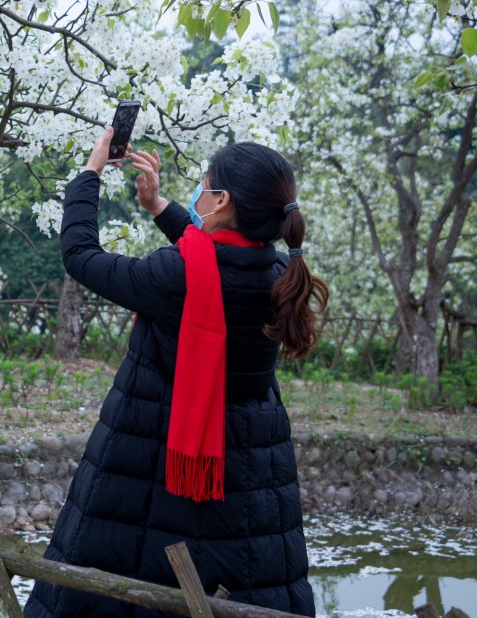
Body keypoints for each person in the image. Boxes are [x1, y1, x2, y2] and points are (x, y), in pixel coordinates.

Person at [23, 128, 328, 618]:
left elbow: (81, 256)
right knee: (239, 586)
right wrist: (160, 207)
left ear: (222, 200)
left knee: (132, 590)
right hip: (249, 477)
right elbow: (215, 255)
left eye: (205, 187)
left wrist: (90, 173)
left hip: (156, 471)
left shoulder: (176, 276)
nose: (199, 194)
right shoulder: (277, 276)